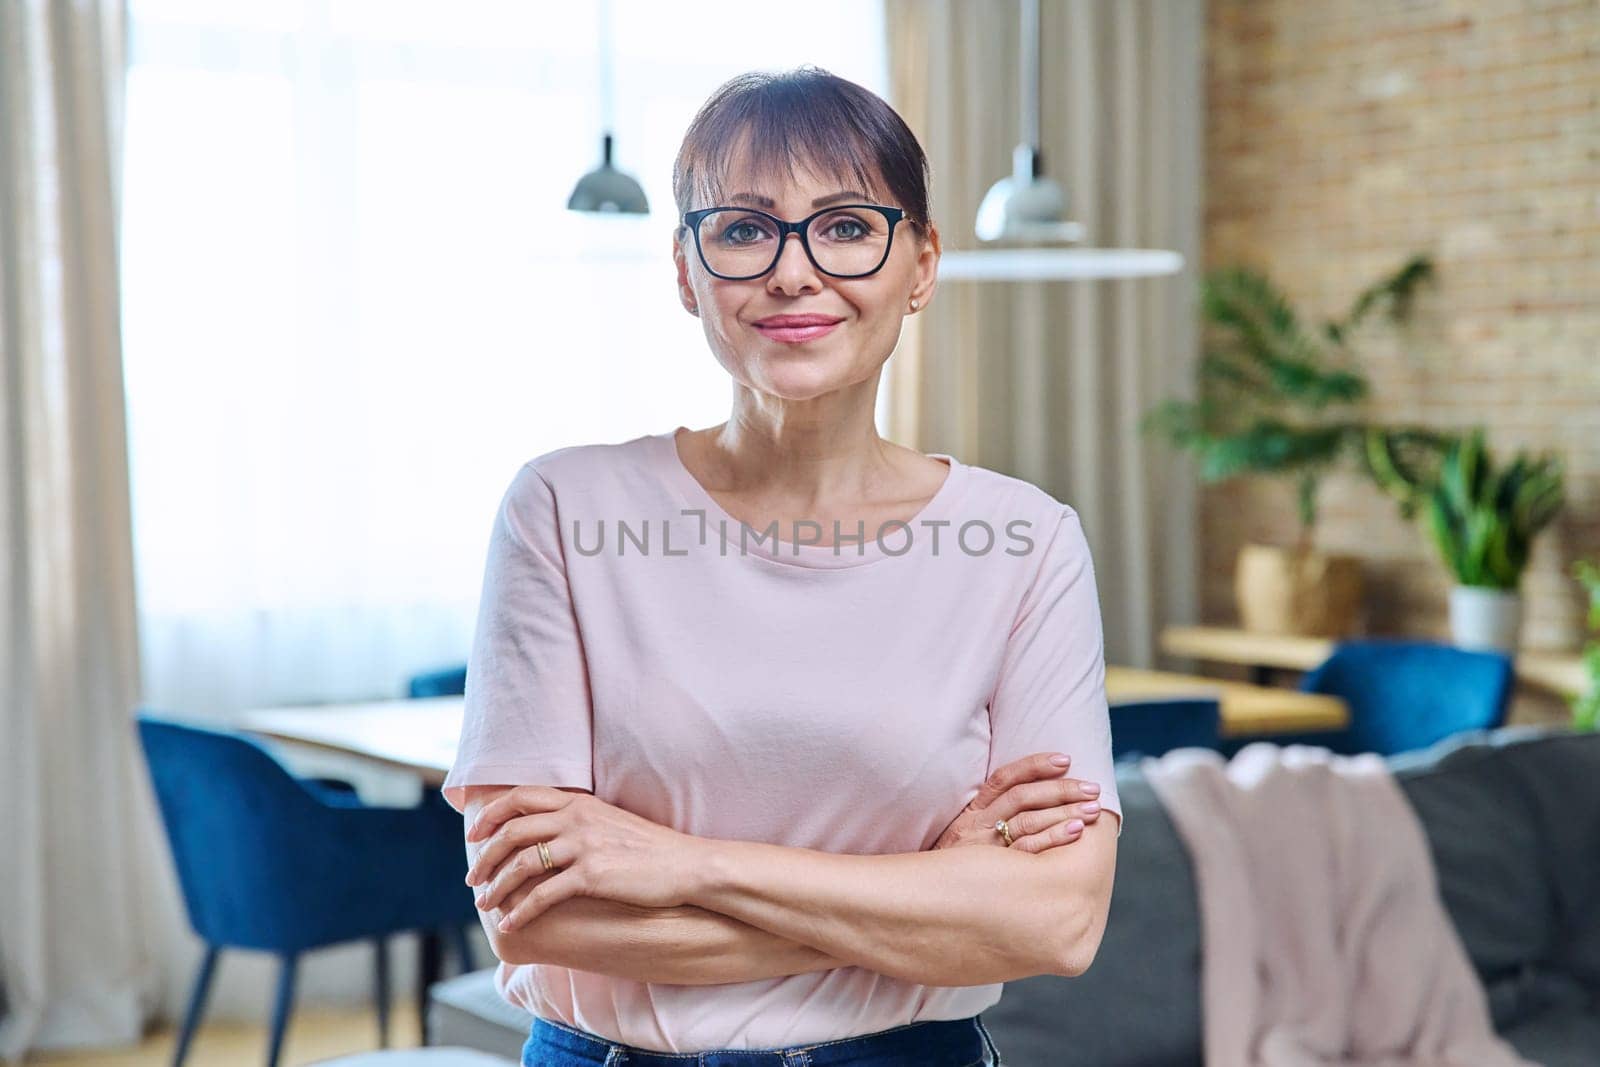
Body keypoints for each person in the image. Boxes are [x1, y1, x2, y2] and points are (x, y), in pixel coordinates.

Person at [443, 66, 1122, 1067]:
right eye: (745, 229)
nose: (794, 272)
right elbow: (539, 919)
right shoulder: (564, 509)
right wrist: (930, 890)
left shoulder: (1024, 539)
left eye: (847, 226)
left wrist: (677, 862)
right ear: (686, 269)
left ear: (920, 264)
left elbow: (1055, 922)